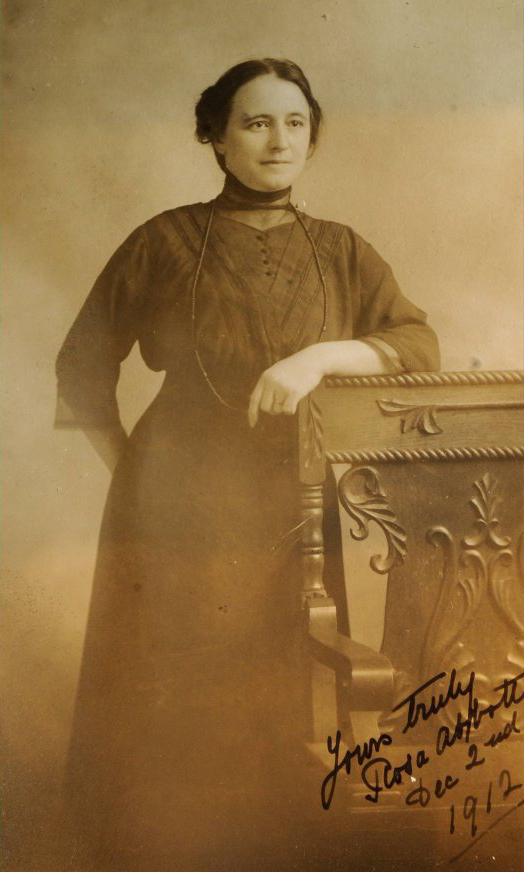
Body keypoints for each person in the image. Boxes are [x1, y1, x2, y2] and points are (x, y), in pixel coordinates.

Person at [56, 58, 439, 870]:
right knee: (175, 680)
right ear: (217, 138)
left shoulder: (342, 249)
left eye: (295, 123)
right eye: (256, 122)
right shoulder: (163, 240)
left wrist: (319, 357)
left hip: (296, 499)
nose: (278, 141)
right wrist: (132, 471)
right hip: (177, 500)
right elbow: (82, 364)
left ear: (312, 136)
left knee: (291, 665)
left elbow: (415, 342)